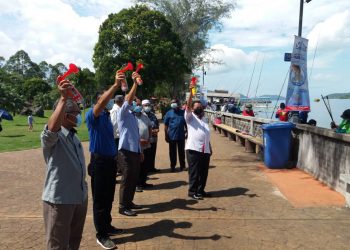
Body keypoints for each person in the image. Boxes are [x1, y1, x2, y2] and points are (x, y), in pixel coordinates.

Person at [40, 79, 88, 250]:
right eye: (76, 112)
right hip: (60, 201)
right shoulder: (54, 137)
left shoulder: (73, 137)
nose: (78, 115)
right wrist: (62, 99)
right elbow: (51, 129)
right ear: (65, 115)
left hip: (79, 197)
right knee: (57, 245)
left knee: (74, 241)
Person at [86, 71, 125, 249]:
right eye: (104, 97)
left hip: (110, 161)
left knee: (108, 197)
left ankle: (107, 226)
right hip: (99, 162)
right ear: (98, 101)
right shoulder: (92, 115)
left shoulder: (106, 116)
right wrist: (115, 85)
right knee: (100, 199)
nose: (108, 100)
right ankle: (101, 234)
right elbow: (102, 103)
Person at [117, 72, 144, 217]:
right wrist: (134, 83)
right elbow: (128, 99)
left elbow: (135, 136)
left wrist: (140, 151)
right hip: (125, 151)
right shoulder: (122, 113)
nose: (134, 102)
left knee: (134, 177)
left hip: (134, 150)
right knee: (127, 178)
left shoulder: (132, 116)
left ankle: (129, 202)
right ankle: (123, 206)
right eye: (132, 100)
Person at [185, 84, 212, 200]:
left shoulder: (204, 119)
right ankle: (192, 192)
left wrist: (210, 147)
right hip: (193, 149)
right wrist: (191, 92)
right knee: (194, 172)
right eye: (197, 107)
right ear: (192, 108)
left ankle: (201, 190)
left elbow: (206, 135)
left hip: (205, 149)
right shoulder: (190, 117)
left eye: (200, 106)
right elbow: (188, 105)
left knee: (204, 172)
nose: (199, 108)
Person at [133, 99, 153, 192]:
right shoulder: (131, 116)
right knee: (138, 166)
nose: (138, 106)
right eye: (136, 104)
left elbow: (149, 126)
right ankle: (137, 184)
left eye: (139, 105)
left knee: (145, 165)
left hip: (146, 144)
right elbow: (130, 132)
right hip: (137, 146)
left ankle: (143, 182)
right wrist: (139, 140)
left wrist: (149, 138)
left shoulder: (144, 115)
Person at [164, 99, 187, 172]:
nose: (173, 104)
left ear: (178, 103)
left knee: (182, 152)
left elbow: (186, 124)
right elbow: (166, 125)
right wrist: (166, 135)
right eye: (172, 103)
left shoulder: (183, 113)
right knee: (172, 152)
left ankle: (182, 166)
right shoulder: (168, 113)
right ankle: (173, 166)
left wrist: (187, 133)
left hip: (181, 136)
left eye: (174, 102)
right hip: (171, 136)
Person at [143, 99, 160, 173]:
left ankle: (152, 168)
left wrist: (157, 129)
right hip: (146, 139)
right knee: (146, 155)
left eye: (148, 105)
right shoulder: (142, 115)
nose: (147, 107)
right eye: (145, 105)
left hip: (154, 138)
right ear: (142, 106)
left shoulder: (153, 114)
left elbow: (156, 124)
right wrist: (151, 131)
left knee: (153, 153)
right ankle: (146, 170)